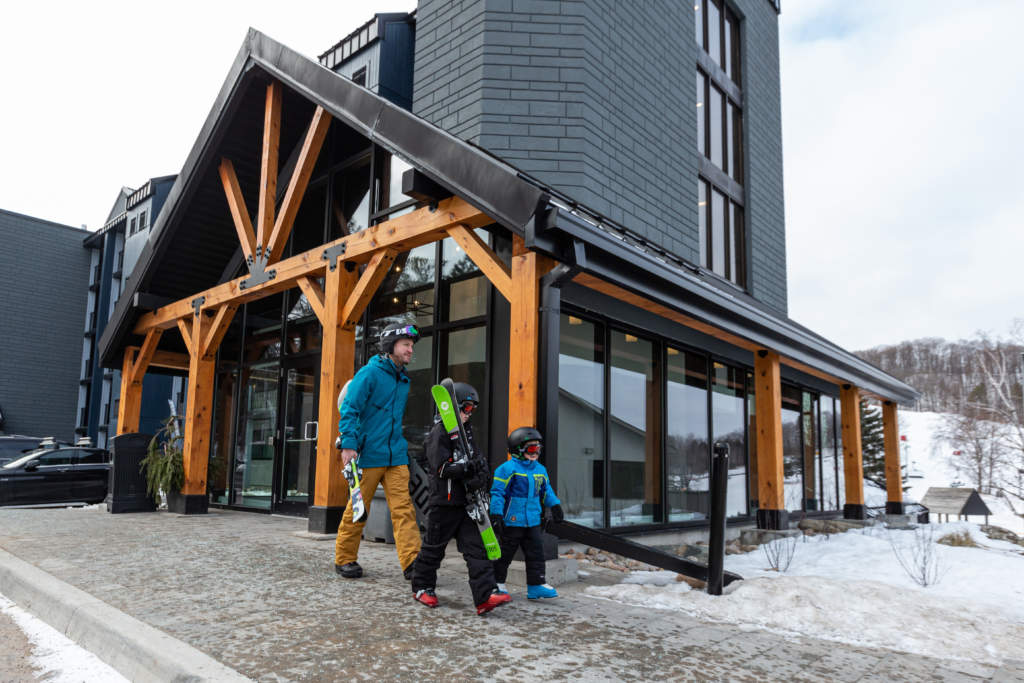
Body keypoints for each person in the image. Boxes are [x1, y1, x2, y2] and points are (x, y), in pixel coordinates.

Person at [411, 382, 511, 615]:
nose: (469, 413)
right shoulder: (439, 433)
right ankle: (422, 586)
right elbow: (441, 468)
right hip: (444, 503)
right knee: (434, 547)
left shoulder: (467, 433)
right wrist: (467, 469)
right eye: (465, 407)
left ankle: (485, 595)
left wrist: (481, 475)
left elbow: (478, 461)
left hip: (467, 503)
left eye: (472, 409)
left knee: (476, 548)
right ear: (453, 407)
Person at [333, 323, 422, 580]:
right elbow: (350, 408)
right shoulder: (369, 374)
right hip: (368, 453)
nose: (410, 350)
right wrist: (349, 444)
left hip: (396, 455)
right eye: (406, 345)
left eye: (411, 346)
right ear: (390, 345)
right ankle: (345, 558)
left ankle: (412, 562)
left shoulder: (403, 380)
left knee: (404, 509)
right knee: (359, 508)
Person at [489, 427, 564, 600]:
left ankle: (536, 584)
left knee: (536, 552)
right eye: (531, 448)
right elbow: (498, 493)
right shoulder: (507, 469)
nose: (535, 452)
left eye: (538, 448)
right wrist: (496, 514)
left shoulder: (540, 469)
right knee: (505, 553)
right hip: (512, 520)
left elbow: (546, 491)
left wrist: (555, 506)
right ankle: (497, 583)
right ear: (518, 449)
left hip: (532, 520)